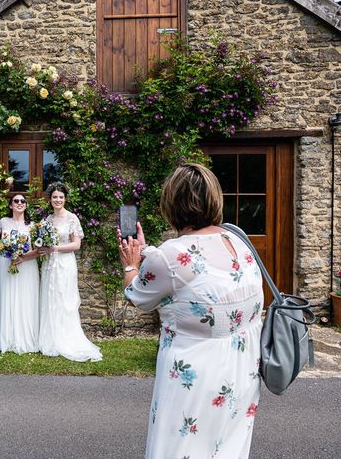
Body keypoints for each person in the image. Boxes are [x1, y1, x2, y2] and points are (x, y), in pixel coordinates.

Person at [119, 163, 263, 459]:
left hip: (195, 378)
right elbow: (192, 272)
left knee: (181, 448)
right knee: (226, 448)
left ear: (171, 202)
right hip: (241, 371)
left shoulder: (170, 254)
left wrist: (132, 264)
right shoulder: (239, 241)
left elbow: (139, 296)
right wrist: (151, 254)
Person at [37, 182, 102, 362]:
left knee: (64, 299)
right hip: (50, 264)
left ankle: (66, 339)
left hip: (65, 264)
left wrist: (55, 248)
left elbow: (76, 244)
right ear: (50, 199)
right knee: (50, 298)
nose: (58, 200)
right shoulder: (46, 220)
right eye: (54, 197)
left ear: (65, 199)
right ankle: (49, 339)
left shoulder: (72, 218)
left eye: (61, 197)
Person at [0, 194, 40, 354]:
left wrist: (22, 257)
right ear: (10, 205)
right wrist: (10, 255)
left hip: (27, 266)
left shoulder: (32, 226)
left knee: (25, 299)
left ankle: (26, 338)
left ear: (26, 205)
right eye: (16, 201)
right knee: (8, 298)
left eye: (23, 201)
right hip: (6, 264)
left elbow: (39, 250)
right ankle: (7, 338)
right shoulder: (2, 223)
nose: (19, 203)